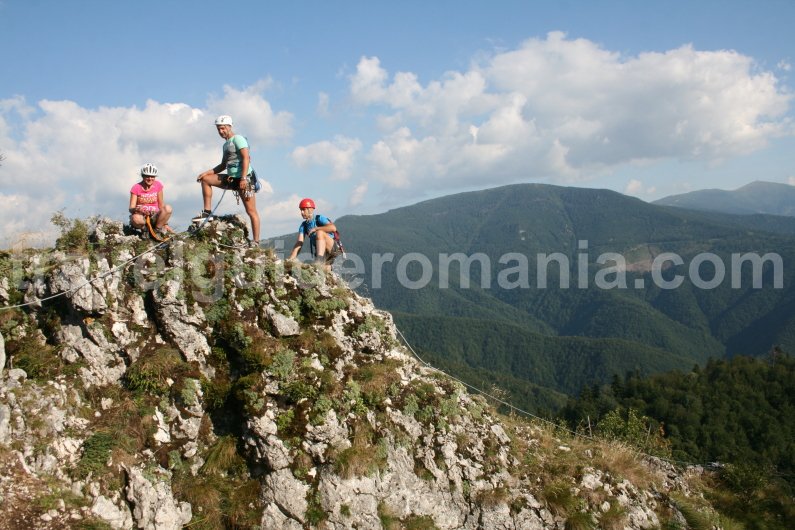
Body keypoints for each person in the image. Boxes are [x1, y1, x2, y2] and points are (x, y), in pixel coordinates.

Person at [194, 115, 261, 245]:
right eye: (219, 129)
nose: (221, 131)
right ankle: (207, 212)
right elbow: (222, 166)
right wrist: (205, 173)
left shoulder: (238, 139)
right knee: (206, 180)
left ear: (230, 127)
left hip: (244, 179)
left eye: (223, 128)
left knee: (251, 211)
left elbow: (246, 158)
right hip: (231, 178)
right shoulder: (225, 145)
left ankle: (256, 241)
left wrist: (243, 178)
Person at [287, 198, 342, 268]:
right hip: (323, 253)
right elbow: (299, 242)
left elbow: (333, 228)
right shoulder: (303, 225)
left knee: (319, 233)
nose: (301, 212)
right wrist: (291, 259)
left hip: (332, 248)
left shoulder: (319, 218)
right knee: (324, 274)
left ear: (310, 209)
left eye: (303, 209)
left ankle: (319, 260)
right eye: (301, 210)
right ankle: (322, 263)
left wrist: (316, 228)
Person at [129, 163, 173, 235]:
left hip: (155, 216)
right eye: (147, 176)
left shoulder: (158, 185)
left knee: (168, 208)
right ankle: (145, 231)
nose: (150, 179)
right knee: (135, 218)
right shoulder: (136, 187)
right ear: (143, 176)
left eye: (152, 176)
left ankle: (157, 230)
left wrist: (165, 223)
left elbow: (161, 205)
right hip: (142, 217)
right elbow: (131, 208)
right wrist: (137, 209)